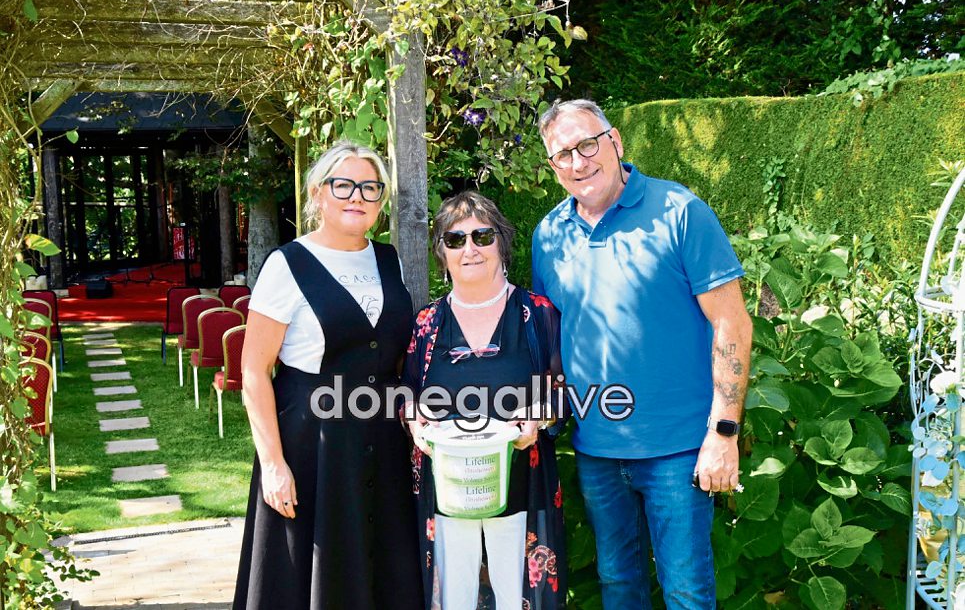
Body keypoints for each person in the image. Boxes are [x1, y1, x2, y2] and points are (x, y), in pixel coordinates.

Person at [532, 99, 752, 609]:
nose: (579, 162)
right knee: (617, 584)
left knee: (687, 592)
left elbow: (733, 323)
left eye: (588, 145)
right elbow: (554, 335)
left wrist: (724, 432)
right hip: (597, 449)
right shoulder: (549, 235)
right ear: (552, 166)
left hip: (678, 449)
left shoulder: (680, 212)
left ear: (615, 141)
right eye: (563, 154)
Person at [233, 141, 423, 609]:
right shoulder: (287, 264)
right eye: (343, 185)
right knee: (313, 572)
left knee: (384, 570)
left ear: (380, 201)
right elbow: (254, 370)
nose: (357, 196)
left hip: (383, 442)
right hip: (313, 448)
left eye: (370, 188)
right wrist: (273, 464)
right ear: (318, 193)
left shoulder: (389, 260)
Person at [405, 191, 567, 610]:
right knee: (452, 598)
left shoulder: (537, 314)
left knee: (518, 597)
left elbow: (561, 391)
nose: (470, 249)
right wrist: (415, 422)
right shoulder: (427, 323)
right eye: (455, 239)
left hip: (520, 483)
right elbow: (408, 394)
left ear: (501, 243)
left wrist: (539, 416)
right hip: (449, 489)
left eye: (482, 236)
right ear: (442, 252)